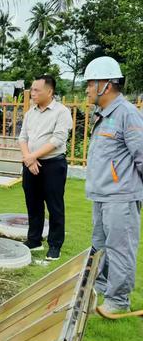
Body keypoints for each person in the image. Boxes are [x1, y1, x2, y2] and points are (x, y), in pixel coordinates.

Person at [84, 56, 143, 314]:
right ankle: (100, 289)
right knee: (100, 247)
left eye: (90, 83)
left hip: (121, 197)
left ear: (105, 85)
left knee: (120, 249)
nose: (86, 89)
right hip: (101, 195)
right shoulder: (104, 115)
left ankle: (118, 301)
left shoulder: (127, 114)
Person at [18, 75, 73, 261]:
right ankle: (34, 240)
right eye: (31, 89)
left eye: (36, 90)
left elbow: (57, 140)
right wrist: (28, 159)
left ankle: (55, 245)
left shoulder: (62, 112)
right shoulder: (30, 113)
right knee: (33, 203)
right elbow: (22, 138)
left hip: (52, 164)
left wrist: (33, 156)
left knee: (54, 205)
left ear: (49, 91)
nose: (32, 93)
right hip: (30, 164)